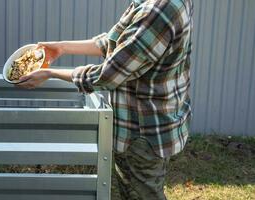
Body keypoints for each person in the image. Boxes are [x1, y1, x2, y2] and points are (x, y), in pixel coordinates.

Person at [16, 0, 193, 199]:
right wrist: (61, 47)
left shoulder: (159, 10)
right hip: (150, 120)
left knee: (142, 194)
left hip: (142, 130)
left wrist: (50, 73)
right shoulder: (151, 4)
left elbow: (108, 75)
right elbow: (114, 42)